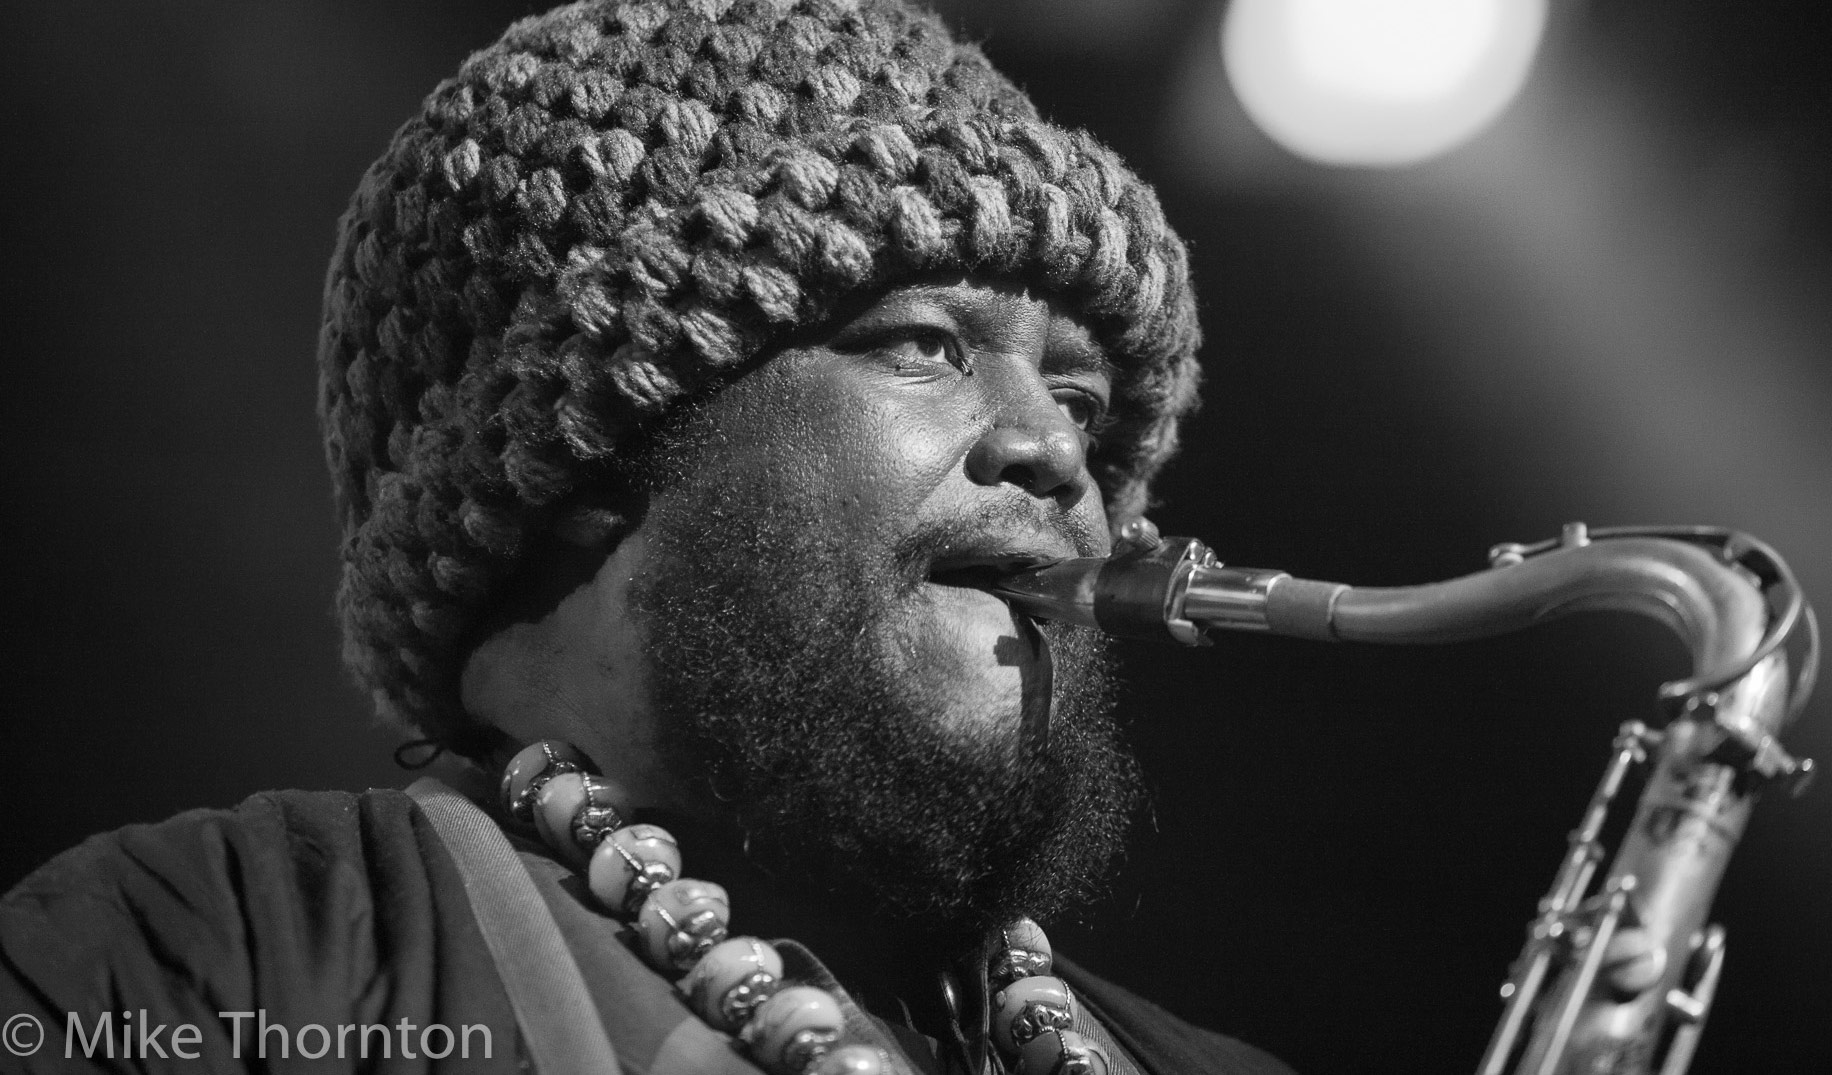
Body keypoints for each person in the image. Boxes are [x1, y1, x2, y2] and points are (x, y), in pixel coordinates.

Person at [0, 1, 1295, 1072]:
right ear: (584, 459)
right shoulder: (193, 962)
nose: (1059, 454)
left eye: (1080, 400)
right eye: (925, 349)